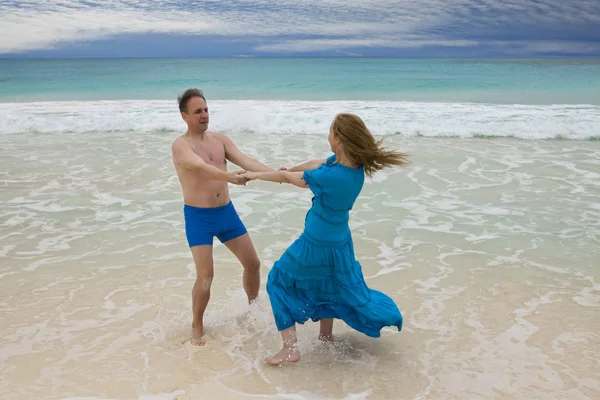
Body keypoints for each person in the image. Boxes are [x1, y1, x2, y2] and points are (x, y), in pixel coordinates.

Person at [242, 113, 408, 365]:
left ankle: (290, 349)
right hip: (340, 241)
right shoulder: (352, 168)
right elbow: (317, 162)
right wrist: (293, 167)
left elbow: (289, 180)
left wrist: (255, 175)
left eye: (331, 132)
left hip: (316, 241)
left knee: (277, 280)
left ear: (340, 138)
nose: (328, 136)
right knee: (327, 284)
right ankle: (325, 337)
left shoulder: (330, 177)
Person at [171, 88, 274, 346]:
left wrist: (275, 174)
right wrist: (230, 177)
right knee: (206, 275)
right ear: (185, 116)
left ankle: (252, 309)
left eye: (206, 110)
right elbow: (202, 168)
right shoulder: (180, 145)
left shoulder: (220, 139)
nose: (204, 115)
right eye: (197, 112)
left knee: (253, 263)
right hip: (199, 218)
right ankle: (197, 324)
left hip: (225, 213)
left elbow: (244, 159)